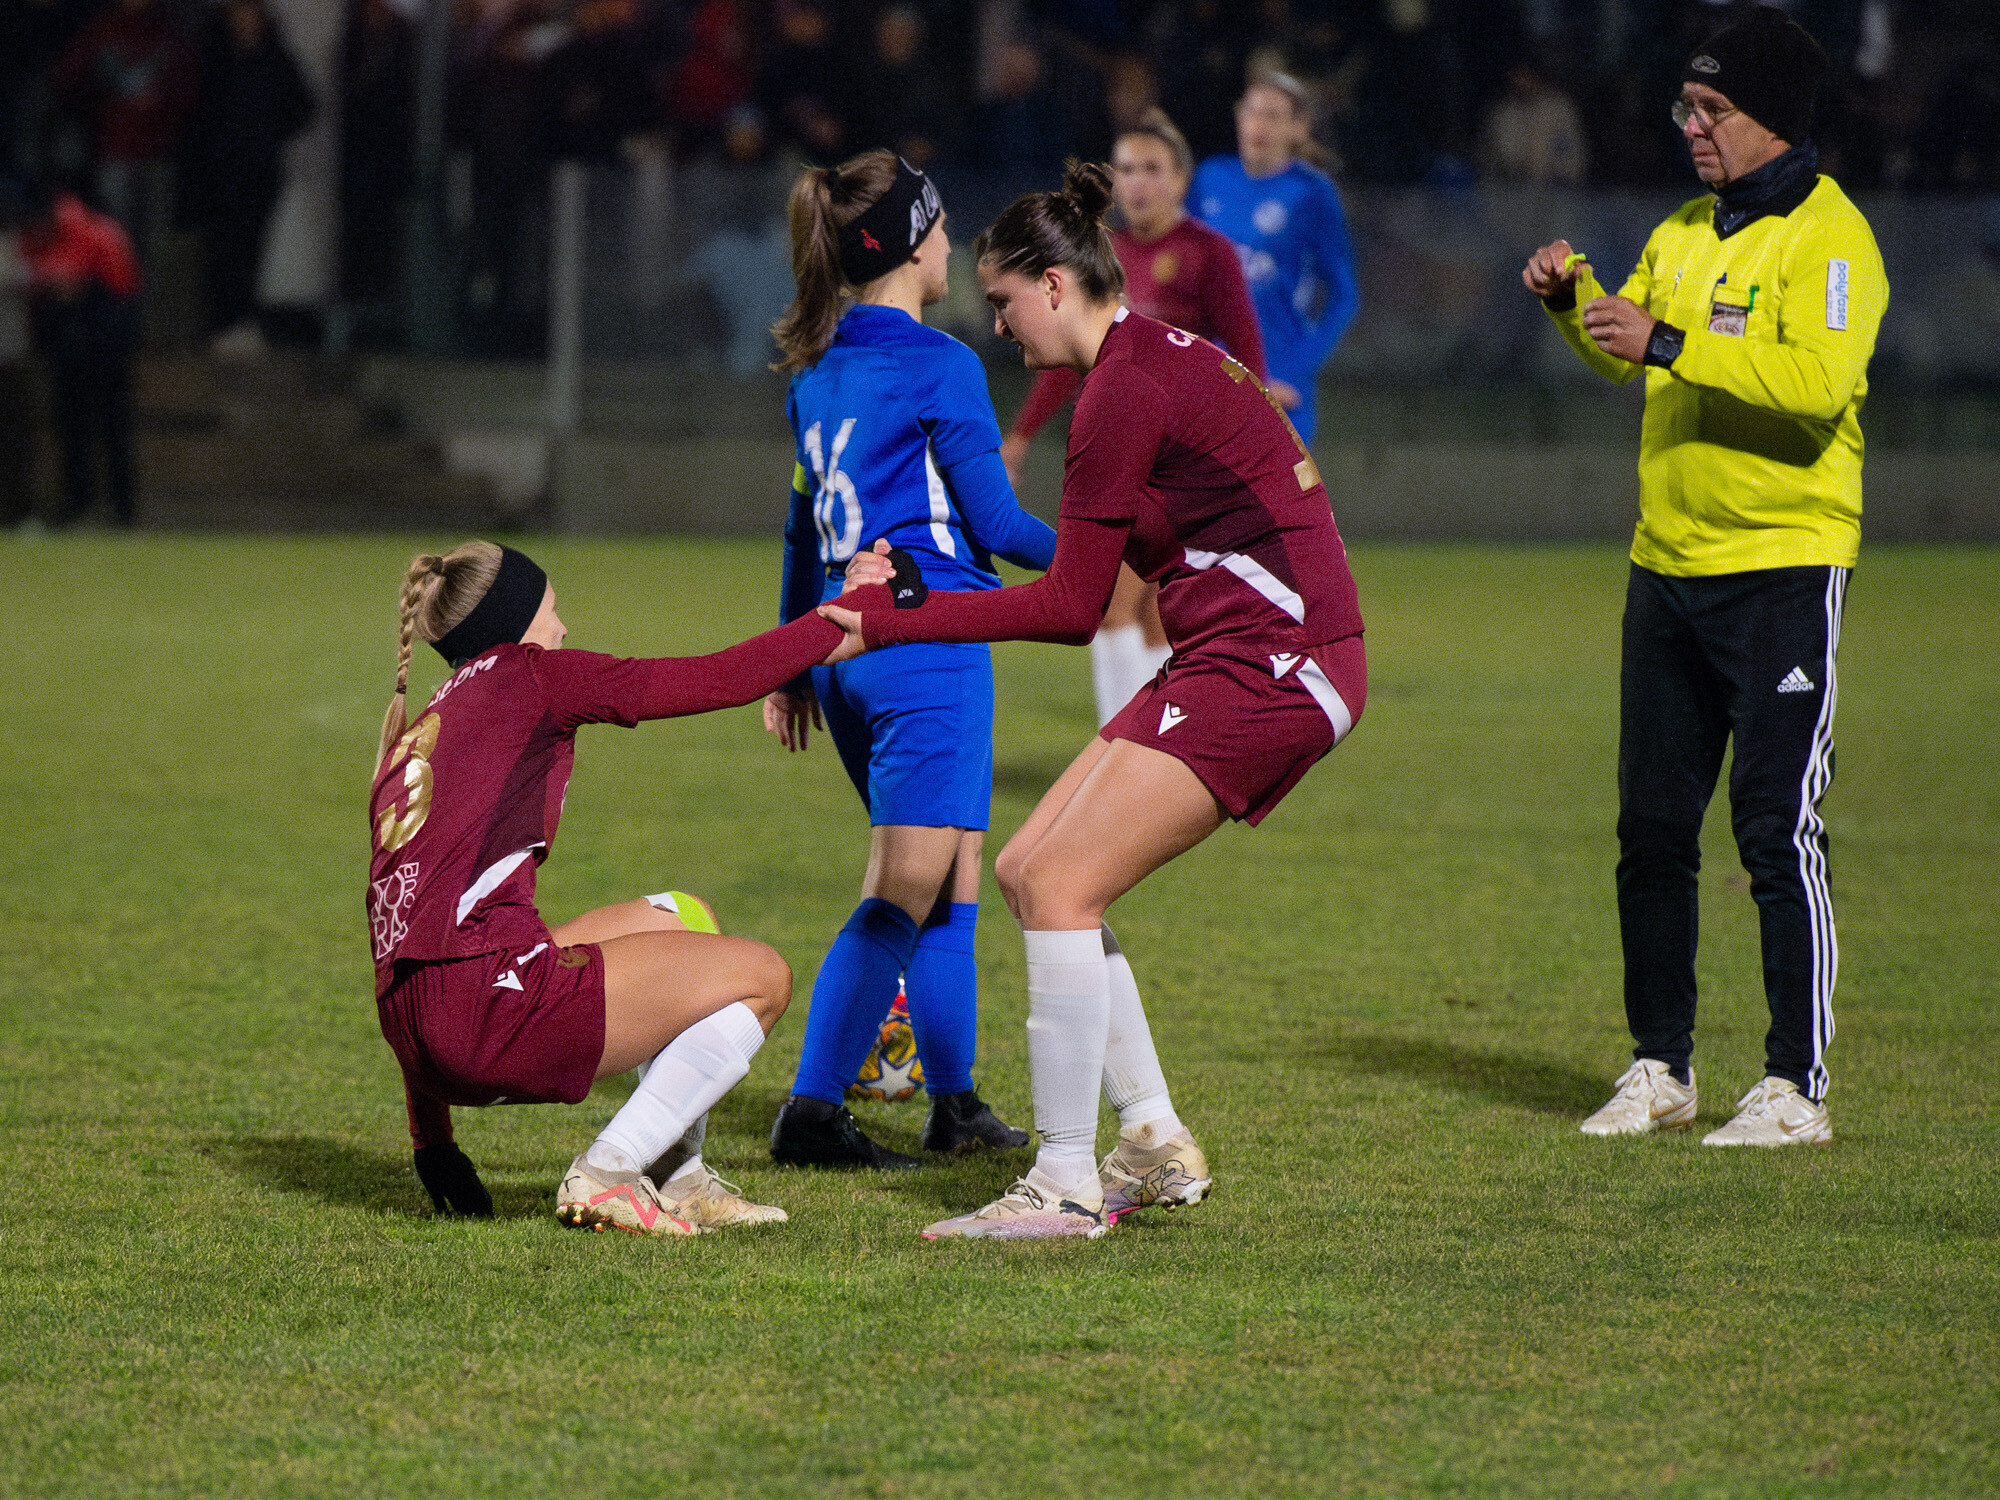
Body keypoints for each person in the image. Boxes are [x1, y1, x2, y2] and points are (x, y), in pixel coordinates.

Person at [821, 161, 1367, 1240]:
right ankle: (1151, 1137)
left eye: (1004, 301)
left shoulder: (1119, 389)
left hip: (1274, 661)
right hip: (1243, 650)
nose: (997, 325)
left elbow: (1076, 608)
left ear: (1055, 284)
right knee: (1026, 870)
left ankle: (1064, 1183)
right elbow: (1164, 537)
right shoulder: (1149, 358)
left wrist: (893, 620)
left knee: (1062, 884)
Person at [1521, 8, 1886, 1148]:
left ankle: (1793, 1087)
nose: (1692, 126)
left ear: (1771, 115)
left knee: (1775, 830)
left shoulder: (1831, 239)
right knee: (1651, 829)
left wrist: (1671, 342)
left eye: (1713, 109)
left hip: (1781, 568)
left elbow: (1817, 383)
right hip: (1666, 568)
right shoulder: (1683, 231)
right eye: (1687, 106)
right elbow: (1623, 355)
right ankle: (1660, 1066)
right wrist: (1574, 303)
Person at [367, 540, 900, 1234]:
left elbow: (406, 940)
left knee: (682, 917)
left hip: (422, 1034)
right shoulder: (531, 674)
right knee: (763, 978)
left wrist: (433, 1144)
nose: (563, 628)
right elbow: (721, 678)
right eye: (551, 610)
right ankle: (607, 1172)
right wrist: (843, 616)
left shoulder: (420, 734)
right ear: (514, 621)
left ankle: (678, 1175)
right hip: (484, 1017)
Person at [763, 149, 1055, 1170]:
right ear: (911, 242)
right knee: (900, 893)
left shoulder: (818, 367)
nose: (950, 243)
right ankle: (810, 1115)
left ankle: (955, 1103)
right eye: (939, 226)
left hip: (846, 651)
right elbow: (1000, 526)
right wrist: (1118, 549)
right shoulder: (941, 363)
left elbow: (800, 534)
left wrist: (794, 660)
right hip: (925, 648)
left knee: (948, 882)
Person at [1001, 108, 1267, 726]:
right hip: (1116, 445)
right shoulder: (1103, 255)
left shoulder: (1208, 252)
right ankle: (1154, 737)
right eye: (1125, 169)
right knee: (1144, 611)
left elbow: (1246, 357)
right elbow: (1071, 359)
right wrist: (1021, 434)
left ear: (1181, 179)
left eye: (1152, 168)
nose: (1137, 182)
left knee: (1118, 604)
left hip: (1179, 453)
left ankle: (1122, 745)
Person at [1192, 72, 1356, 447]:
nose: (1259, 124)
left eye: (1273, 115)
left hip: (1278, 381)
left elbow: (1344, 296)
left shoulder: (1312, 193)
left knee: (1274, 485)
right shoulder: (1210, 178)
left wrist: (1293, 371)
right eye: (1252, 112)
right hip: (1213, 376)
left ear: (1298, 128)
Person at [178, 0, 314, 356]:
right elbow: (196, 113)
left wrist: (268, 135)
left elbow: (304, 104)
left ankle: (239, 321)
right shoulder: (214, 58)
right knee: (221, 252)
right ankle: (222, 323)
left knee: (249, 251)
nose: (245, 21)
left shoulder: (273, 58)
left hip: (257, 174)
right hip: (219, 174)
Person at [17, 178, 139, 526]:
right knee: (72, 429)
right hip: (68, 347)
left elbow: (110, 287)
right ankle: (79, 505)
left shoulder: (94, 232)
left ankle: (121, 510)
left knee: (113, 428)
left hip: (104, 341)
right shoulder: (39, 236)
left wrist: (52, 280)